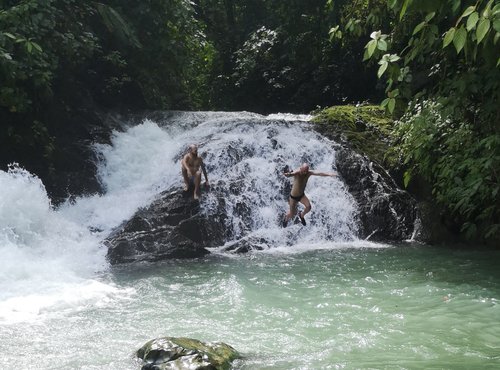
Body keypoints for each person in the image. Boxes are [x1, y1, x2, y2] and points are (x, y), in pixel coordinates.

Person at [282, 163, 336, 227]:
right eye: (303, 171)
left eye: (306, 171)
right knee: (292, 214)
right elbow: (291, 174)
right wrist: (287, 174)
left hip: (302, 196)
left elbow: (319, 173)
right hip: (293, 197)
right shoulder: (297, 172)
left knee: (308, 207)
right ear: (301, 168)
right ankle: (285, 218)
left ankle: (301, 215)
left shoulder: (308, 173)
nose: (305, 173)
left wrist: (329, 174)